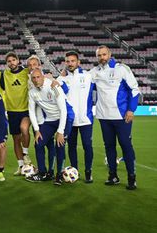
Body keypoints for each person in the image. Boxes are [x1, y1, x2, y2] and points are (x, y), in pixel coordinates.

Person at [91, 45, 139, 190]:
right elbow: (80, 78)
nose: (102, 58)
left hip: (121, 116)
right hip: (104, 116)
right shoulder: (95, 72)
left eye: (104, 55)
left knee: (125, 145)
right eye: (99, 55)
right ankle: (113, 175)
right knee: (109, 146)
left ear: (110, 54)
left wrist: (131, 109)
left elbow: (134, 89)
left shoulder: (121, 69)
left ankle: (132, 177)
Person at [26, 68, 74, 185]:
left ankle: (59, 175)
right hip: (50, 120)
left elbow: (63, 110)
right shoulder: (32, 92)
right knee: (39, 143)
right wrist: (37, 130)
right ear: (31, 80)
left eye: (38, 77)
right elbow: (31, 111)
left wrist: (60, 131)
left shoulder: (53, 86)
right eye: (34, 78)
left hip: (65, 118)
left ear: (43, 77)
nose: (36, 80)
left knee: (59, 144)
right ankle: (42, 173)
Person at [56, 51, 95, 183]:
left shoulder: (89, 76)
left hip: (86, 119)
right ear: (65, 63)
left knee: (87, 146)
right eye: (68, 61)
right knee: (71, 147)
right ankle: (75, 171)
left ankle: (88, 172)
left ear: (78, 62)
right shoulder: (61, 79)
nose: (70, 63)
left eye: (73, 61)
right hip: (69, 120)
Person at [1, 52, 32, 174]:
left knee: (24, 129)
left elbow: (38, 73)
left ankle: (25, 153)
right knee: (16, 139)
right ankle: (20, 166)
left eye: (14, 60)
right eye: (9, 61)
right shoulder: (4, 74)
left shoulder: (26, 73)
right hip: (11, 111)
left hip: (25, 109)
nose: (12, 62)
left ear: (18, 60)